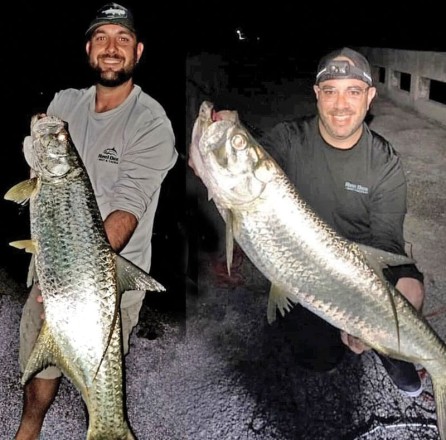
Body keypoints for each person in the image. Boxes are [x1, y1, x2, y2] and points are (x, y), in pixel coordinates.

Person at [15, 3, 178, 439]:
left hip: (108, 282)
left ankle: (107, 428)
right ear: (89, 50)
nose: (111, 48)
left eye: (123, 39)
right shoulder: (65, 103)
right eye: (102, 38)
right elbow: (37, 156)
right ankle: (27, 432)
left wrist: (75, 277)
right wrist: (39, 133)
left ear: (138, 51)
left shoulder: (151, 123)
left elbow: (127, 209)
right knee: (40, 370)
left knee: (101, 387)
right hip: (52, 272)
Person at [259, 47, 425, 397]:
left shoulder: (383, 162)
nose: (341, 104)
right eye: (331, 90)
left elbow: (386, 241)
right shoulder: (288, 139)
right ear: (317, 95)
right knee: (317, 358)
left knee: (410, 285)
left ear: (370, 97)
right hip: (304, 263)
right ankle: (351, 331)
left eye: (353, 91)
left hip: (363, 261)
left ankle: (391, 347)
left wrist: (368, 312)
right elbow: (250, 167)